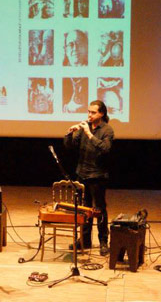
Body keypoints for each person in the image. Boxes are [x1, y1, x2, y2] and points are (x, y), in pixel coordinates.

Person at [63, 100, 114, 256]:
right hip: (82, 174)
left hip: (97, 175)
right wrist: (70, 134)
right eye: (88, 112)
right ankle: (84, 240)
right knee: (84, 210)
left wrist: (89, 134)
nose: (89, 115)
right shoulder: (85, 126)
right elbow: (69, 146)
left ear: (101, 114)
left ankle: (103, 241)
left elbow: (105, 149)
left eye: (93, 112)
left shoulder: (107, 130)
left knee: (99, 210)